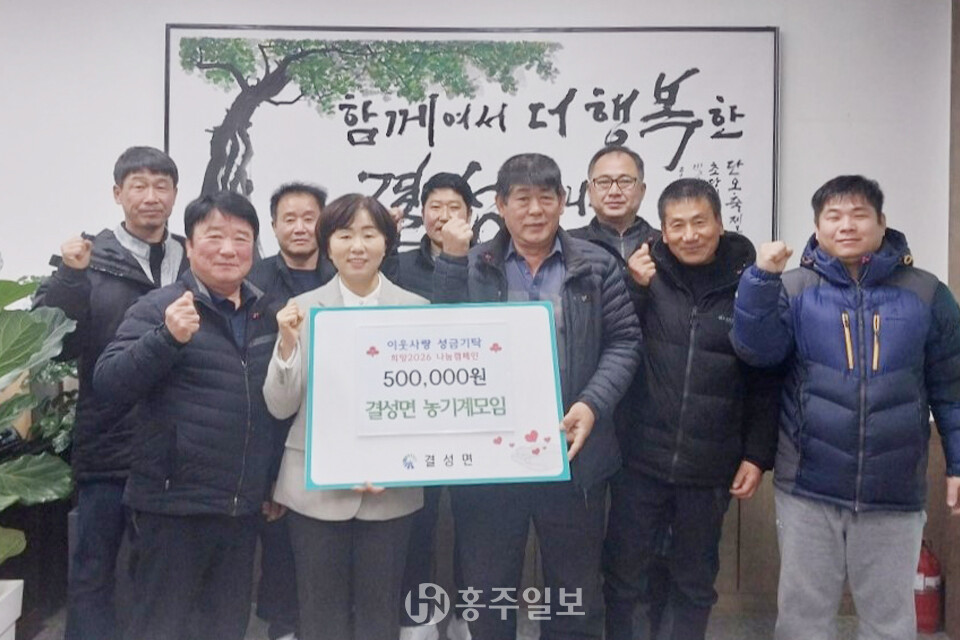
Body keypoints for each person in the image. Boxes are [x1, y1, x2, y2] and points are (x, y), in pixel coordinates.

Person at [731, 175, 960, 640]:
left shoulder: (926, 293)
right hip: (807, 486)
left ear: (882, 223)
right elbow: (757, 352)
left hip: (894, 487)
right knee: (803, 618)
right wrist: (759, 279)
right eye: (833, 216)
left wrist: (957, 462)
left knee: (889, 620)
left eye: (859, 215)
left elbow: (951, 385)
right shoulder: (793, 288)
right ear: (817, 228)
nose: (847, 226)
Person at [434, 153, 641, 639]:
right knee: (487, 591)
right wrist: (450, 263)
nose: (534, 210)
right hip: (491, 462)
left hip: (573, 454)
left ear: (564, 201)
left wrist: (591, 404)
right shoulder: (474, 264)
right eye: (522, 198)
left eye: (546, 197)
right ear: (499, 204)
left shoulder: (596, 265)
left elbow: (625, 341)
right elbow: (441, 338)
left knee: (574, 592)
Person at [93, 191, 277, 640]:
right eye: (214, 237)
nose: (228, 249)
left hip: (240, 509)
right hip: (173, 508)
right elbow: (109, 384)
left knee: (226, 626)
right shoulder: (160, 307)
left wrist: (271, 481)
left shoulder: (265, 314)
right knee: (160, 626)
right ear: (190, 247)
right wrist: (166, 338)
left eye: (241, 238)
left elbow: (273, 409)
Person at [602, 178, 779, 640]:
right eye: (677, 225)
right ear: (662, 231)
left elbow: (765, 377)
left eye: (700, 222)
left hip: (710, 465)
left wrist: (757, 454)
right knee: (625, 577)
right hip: (639, 460)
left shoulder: (749, 284)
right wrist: (634, 288)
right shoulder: (644, 275)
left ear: (720, 223)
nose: (689, 235)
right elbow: (614, 345)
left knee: (694, 581)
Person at [33, 146, 185, 640]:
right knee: (93, 569)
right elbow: (54, 341)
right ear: (118, 194)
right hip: (109, 440)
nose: (150, 196)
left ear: (175, 194)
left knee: (163, 574)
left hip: (178, 445)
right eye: (138, 186)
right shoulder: (87, 258)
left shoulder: (193, 258)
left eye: (161, 185)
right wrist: (70, 277)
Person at [264, 194, 427, 640]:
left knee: (380, 613)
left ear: (387, 243)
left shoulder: (416, 310)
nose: (357, 246)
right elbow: (280, 406)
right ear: (328, 245)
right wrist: (287, 345)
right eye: (344, 235)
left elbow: (422, 410)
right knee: (320, 615)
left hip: (390, 489)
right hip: (316, 489)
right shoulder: (300, 310)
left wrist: (395, 464)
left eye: (369, 234)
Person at [389, 172, 475, 640]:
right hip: (413, 419)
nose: (443, 216)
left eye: (454, 206)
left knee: (473, 522)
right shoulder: (398, 263)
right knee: (417, 523)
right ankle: (418, 617)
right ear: (422, 213)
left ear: (470, 214)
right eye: (435, 207)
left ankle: (464, 614)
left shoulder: (485, 262)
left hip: (471, 416)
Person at [248, 181, 332, 640]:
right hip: (276, 433)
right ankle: (283, 628)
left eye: (309, 218)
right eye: (289, 219)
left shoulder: (344, 272)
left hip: (335, 432)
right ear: (274, 226)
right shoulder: (254, 281)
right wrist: (265, 474)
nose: (300, 228)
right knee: (279, 545)